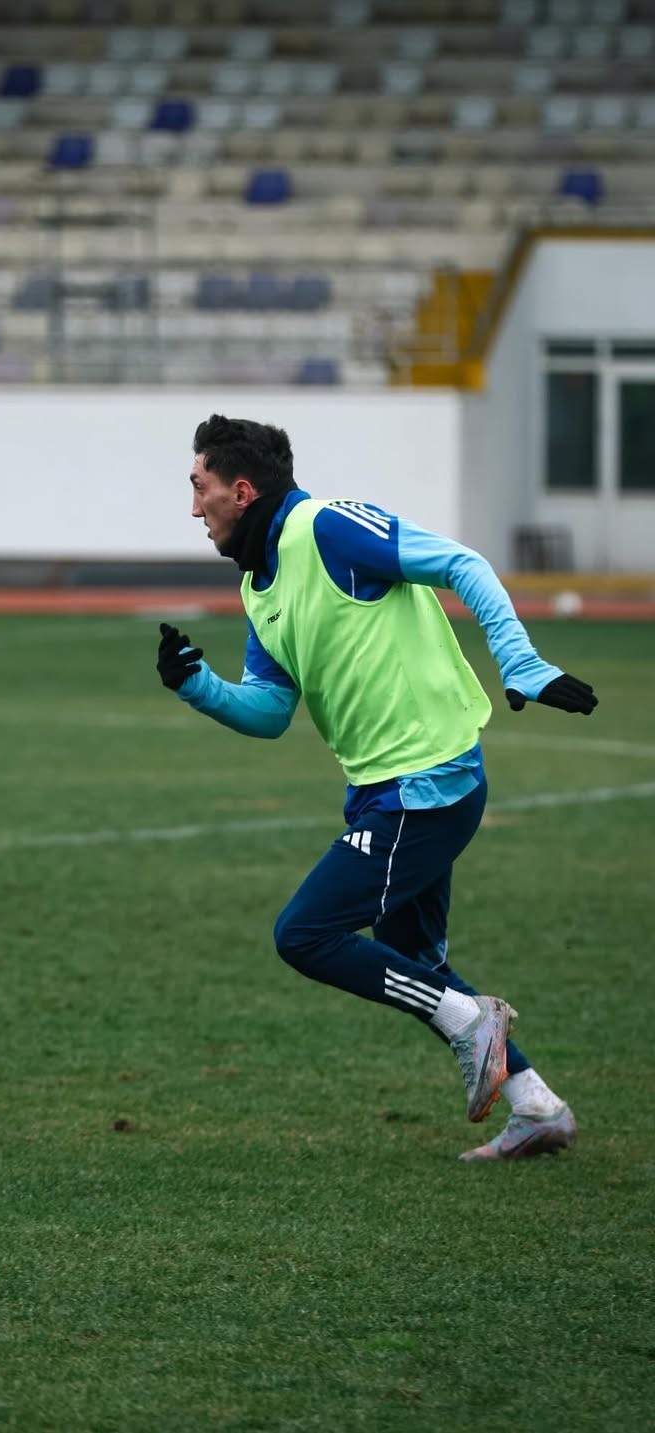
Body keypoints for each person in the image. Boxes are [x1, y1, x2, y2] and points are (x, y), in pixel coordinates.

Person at [156, 413, 597, 1162]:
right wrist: (197, 685)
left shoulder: (328, 526)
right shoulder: (261, 587)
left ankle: (471, 1023)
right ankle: (536, 1105)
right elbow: (268, 711)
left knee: (305, 934)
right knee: (407, 955)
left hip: (427, 780)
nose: (193, 507)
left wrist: (519, 661)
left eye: (198, 488)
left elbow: (464, 563)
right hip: (382, 789)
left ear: (240, 487)